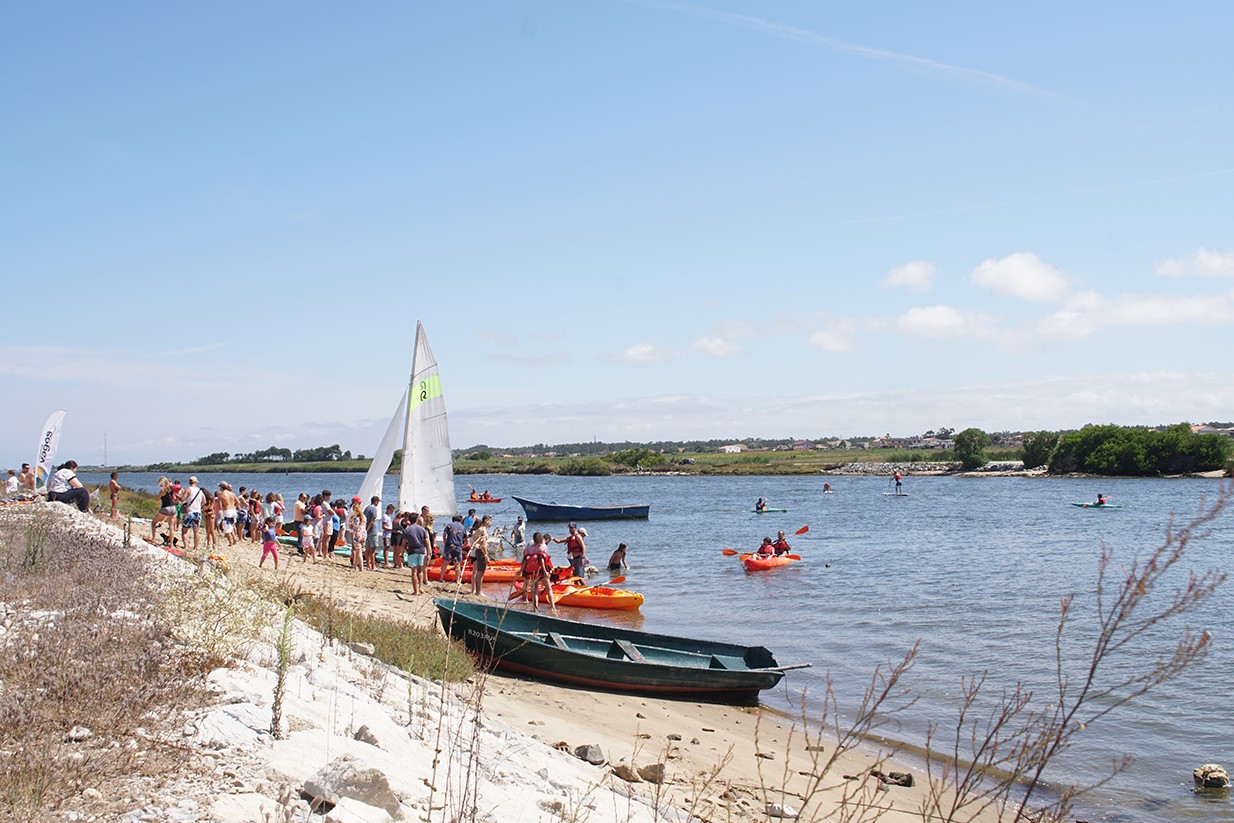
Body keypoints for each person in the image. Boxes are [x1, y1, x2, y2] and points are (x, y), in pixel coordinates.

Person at [520, 532, 557, 614]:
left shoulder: (529, 548)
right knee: (549, 588)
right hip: (541, 571)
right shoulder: (543, 547)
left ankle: (535, 608)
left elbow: (525, 559)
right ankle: (553, 607)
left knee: (535, 590)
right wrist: (546, 571)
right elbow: (542, 560)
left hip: (532, 571)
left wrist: (520, 570)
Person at [402, 513, 430, 595]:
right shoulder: (422, 529)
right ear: (417, 520)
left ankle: (416, 591)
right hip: (421, 550)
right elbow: (427, 542)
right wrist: (429, 552)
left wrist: (401, 553)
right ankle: (420, 587)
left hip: (412, 551)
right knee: (420, 570)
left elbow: (403, 543)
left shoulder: (407, 530)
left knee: (413, 572)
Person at [179, 477, 206, 552]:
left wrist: (177, 496)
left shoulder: (188, 489)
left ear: (189, 482)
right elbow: (204, 502)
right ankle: (196, 547)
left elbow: (182, 499)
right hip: (197, 513)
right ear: (196, 482)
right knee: (196, 531)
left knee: (184, 531)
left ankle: (186, 546)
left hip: (189, 512)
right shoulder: (200, 491)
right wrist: (199, 506)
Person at [151, 477, 178, 542]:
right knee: (171, 527)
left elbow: (157, 499)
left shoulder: (163, 491)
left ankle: (153, 538)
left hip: (166, 508)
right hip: (173, 507)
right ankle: (171, 544)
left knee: (154, 523)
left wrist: (157, 496)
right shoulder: (172, 489)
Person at [442, 514, 467, 581]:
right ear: (461, 520)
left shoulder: (449, 525)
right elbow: (465, 538)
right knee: (457, 564)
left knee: (445, 562)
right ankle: (457, 580)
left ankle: (441, 578)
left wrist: (445, 541)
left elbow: (444, 534)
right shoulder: (463, 527)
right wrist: (465, 545)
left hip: (449, 545)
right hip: (458, 546)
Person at [217, 482, 240, 547]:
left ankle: (230, 543)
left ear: (221, 487)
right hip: (233, 510)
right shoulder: (232, 494)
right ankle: (234, 537)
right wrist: (234, 506)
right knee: (231, 525)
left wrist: (224, 507)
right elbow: (238, 502)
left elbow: (220, 507)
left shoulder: (221, 495)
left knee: (226, 529)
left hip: (227, 511)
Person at [363, 496, 382, 571]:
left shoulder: (366, 508)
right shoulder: (374, 509)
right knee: (372, 549)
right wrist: (367, 529)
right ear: (376, 501)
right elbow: (372, 520)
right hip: (372, 530)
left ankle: (368, 565)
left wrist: (365, 529)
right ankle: (373, 565)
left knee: (367, 549)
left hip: (367, 530)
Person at [351, 500, 369, 570]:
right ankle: (355, 566)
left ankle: (361, 567)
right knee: (359, 550)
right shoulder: (364, 517)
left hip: (357, 534)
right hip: (363, 534)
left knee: (358, 552)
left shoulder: (356, 518)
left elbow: (353, 526)